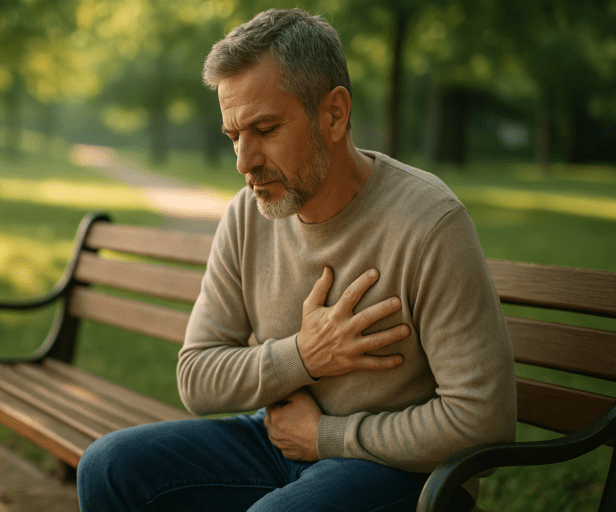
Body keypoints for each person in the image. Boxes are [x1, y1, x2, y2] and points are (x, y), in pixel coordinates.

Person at [77, 8, 516, 512]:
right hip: (282, 439)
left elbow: (483, 420)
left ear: (334, 114)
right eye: (233, 136)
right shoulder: (248, 214)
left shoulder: (428, 224)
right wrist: (304, 356)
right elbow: (197, 376)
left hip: (405, 473)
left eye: (264, 128)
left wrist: (329, 436)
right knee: (109, 467)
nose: (244, 162)